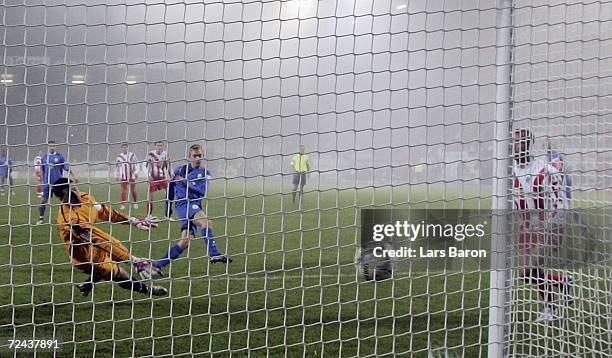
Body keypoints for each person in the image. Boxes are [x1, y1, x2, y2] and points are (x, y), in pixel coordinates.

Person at [51, 177, 166, 297]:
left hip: (98, 247)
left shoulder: (86, 198)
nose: (76, 194)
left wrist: (133, 221)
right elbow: (99, 239)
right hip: (86, 258)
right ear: (62, 199)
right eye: (70, 193)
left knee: (114, 258)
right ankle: (147, 290)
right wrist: (133, 260)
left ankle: (88, 284)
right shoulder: (71, 219)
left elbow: (106, 212)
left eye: (75, 189)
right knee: (120, 274)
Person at [144, 144, 230, 279]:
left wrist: (184, 181)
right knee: (206, 222)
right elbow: (170, 191)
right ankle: (214, 254)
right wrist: (168, 210)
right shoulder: (179, 171)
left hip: (195, 204)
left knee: (184, 242)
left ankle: (156, 266)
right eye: (194, 156)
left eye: (200, 155)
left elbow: (202, 191)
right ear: (188, 157)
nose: (197, 158)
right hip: (183, 205)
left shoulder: (205, 173)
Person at [512, 128, 573, 321]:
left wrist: (556, 225)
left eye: (520, 142)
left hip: (546, 227)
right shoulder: (508, 169)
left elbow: (561, 198)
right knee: (528, 273)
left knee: (530, 269)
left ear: (528, 145)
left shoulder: (544, 170)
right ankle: (559, 289)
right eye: (514, 141)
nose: (516, 145)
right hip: (526, 228)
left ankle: (552, 306)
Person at [37, 140, 76, 224]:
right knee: (43, 200)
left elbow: (66, 167)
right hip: (47, 183)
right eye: (50, 146)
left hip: (58, 182)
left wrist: (73, 176)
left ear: (56, 146)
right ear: (48, 147)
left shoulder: (60, 157)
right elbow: (43, 170)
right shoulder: (44, 158)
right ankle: (41, 218)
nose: (52, 147)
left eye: (53, 146)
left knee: (63, 200)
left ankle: (66, 218)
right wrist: (43, 180)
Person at [145, 141, 172, 220]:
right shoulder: (150, 154)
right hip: (153, 178)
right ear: (155, 146)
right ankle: (149, 216)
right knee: (150, 198)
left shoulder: (166, 154)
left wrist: (170, 176)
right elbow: (145, 165)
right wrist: (148, 176)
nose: (159, 147)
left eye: (160, 145)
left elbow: (168, 166)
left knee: (169, 196)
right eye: (158, 145)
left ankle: (167, 216)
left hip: (162, 178)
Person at [115, 143, 139, 210]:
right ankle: (123, 205)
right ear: (121, 148)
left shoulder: (132, 155)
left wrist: (136, 172)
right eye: (123, 147)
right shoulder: (119, 156)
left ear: (128, 148)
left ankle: (135, 203)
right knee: (123, 190)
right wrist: (116, 175)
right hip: (123, 176)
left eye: (126, 147)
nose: (124, 148)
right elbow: (117, 166)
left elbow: (136, 164)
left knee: (133, 190)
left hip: (131, 176)